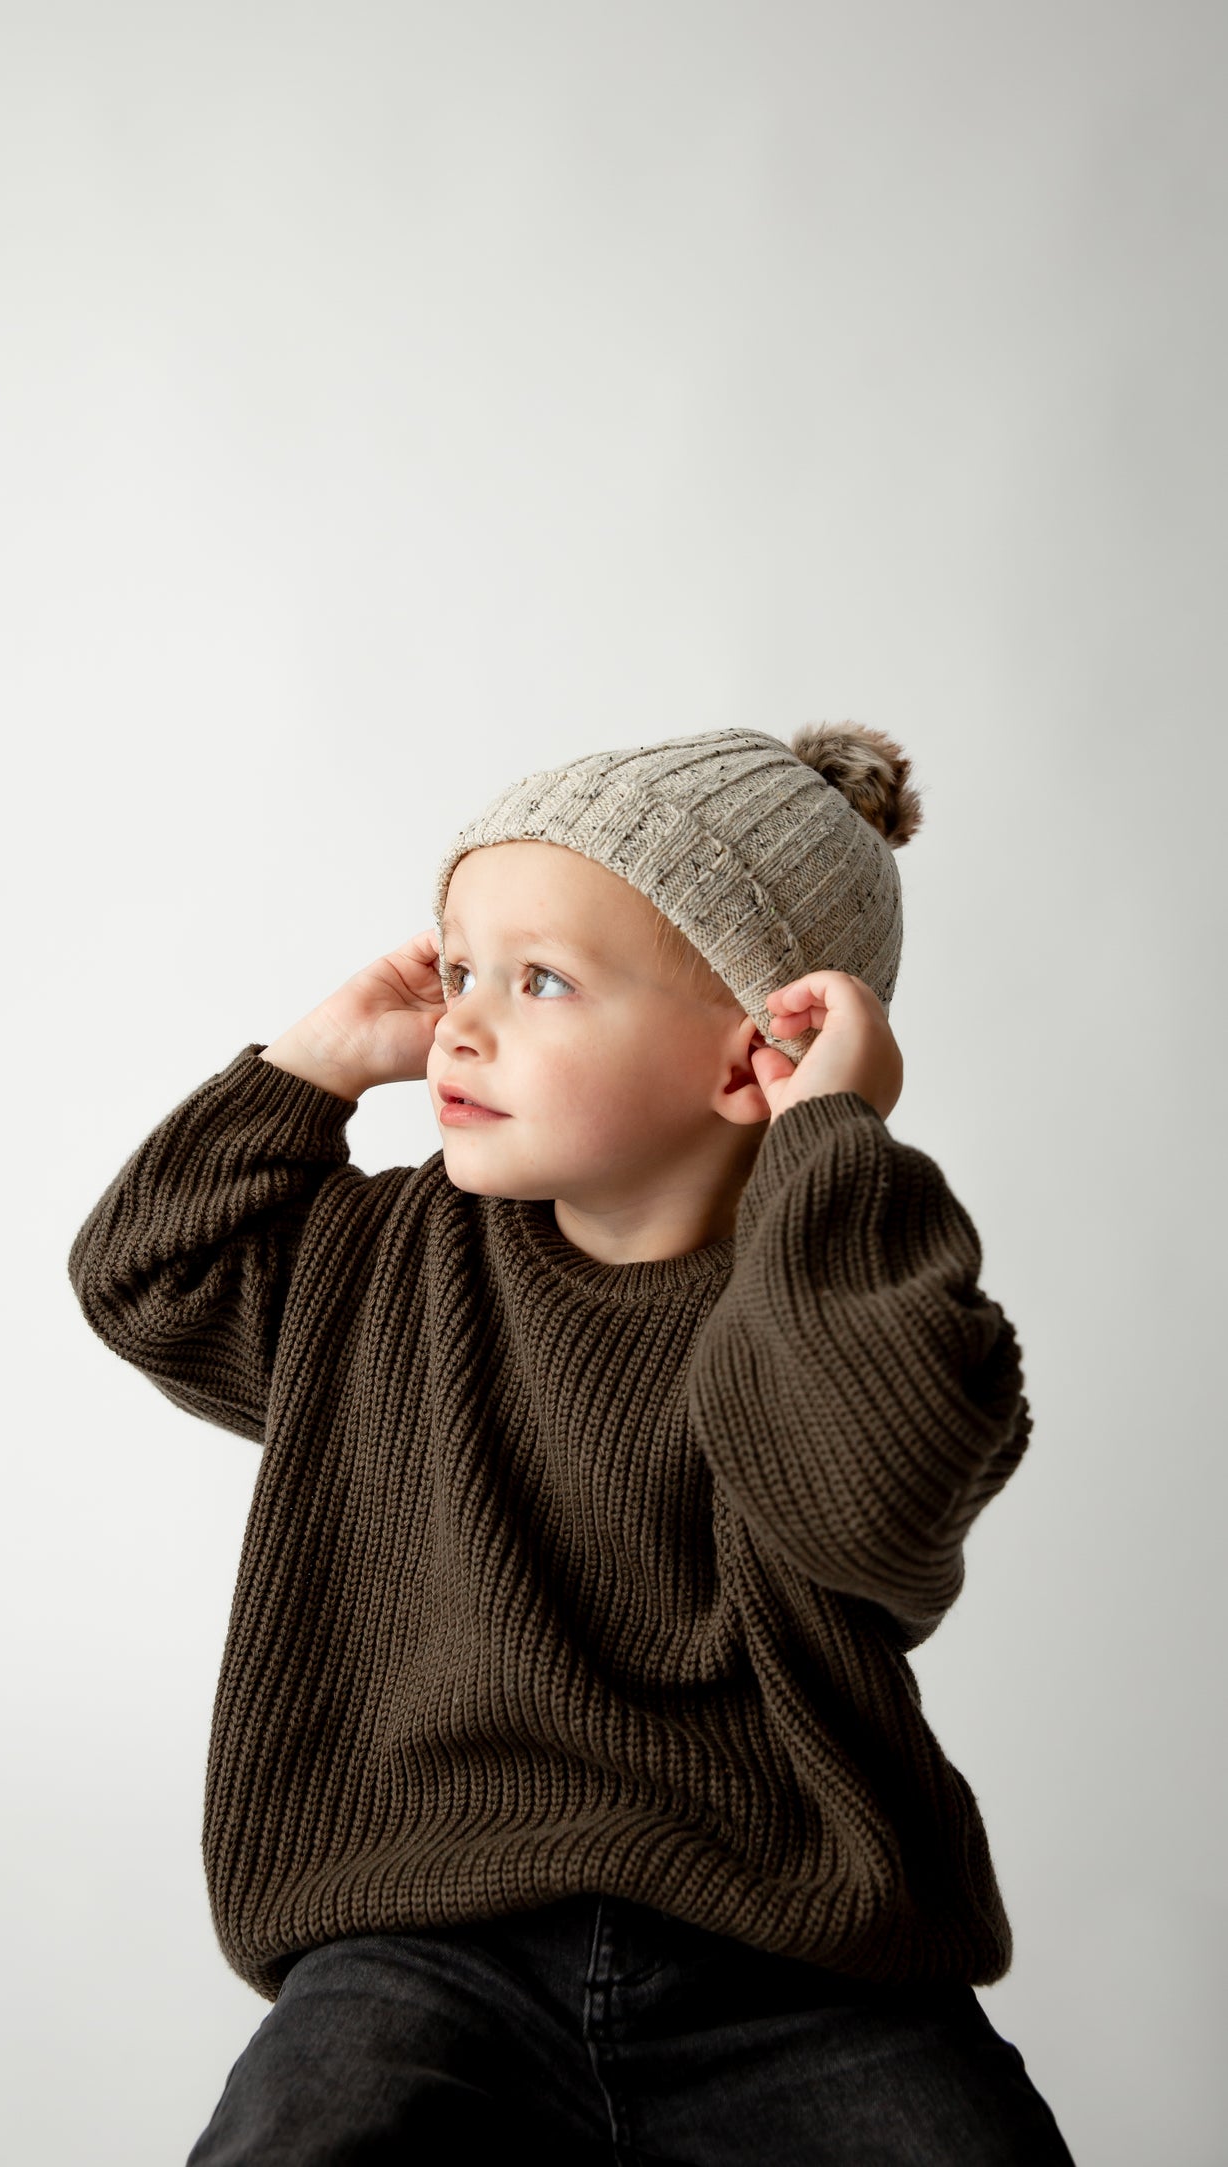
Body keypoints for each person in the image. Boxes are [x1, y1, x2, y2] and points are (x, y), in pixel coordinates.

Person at [67, 724, 1077, 2164]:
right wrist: (311, 1065)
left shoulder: (860, 1279)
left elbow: (874, 1500)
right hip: (422, 1933)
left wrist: (832, 1146)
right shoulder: (381, 1259)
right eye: (456, 967)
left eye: (537, 981)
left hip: (796, 1958)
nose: (459, 1025)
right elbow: (147, 1277)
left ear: (753, 1060)